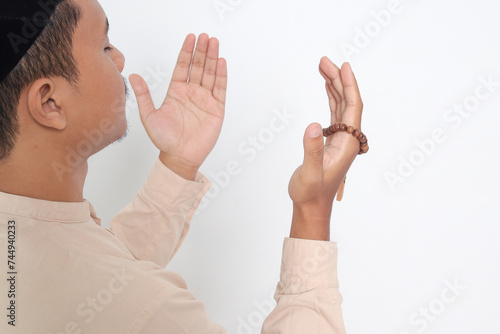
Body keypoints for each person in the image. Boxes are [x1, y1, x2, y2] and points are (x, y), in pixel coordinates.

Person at [0, 0, 365, 333]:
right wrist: (313, 212)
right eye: (104, 46)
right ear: (49, 102)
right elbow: (115, 296)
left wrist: (178, 164)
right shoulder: (147, 309)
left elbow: (96, 276)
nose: (120, 58)